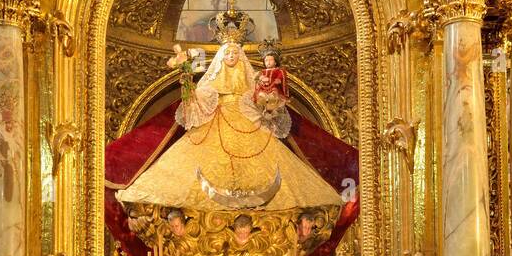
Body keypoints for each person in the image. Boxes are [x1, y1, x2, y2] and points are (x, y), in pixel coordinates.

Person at [116, 39, 342, 215]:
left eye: (235, 53)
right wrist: (186, 82)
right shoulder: (212, 85)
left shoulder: (253, 82)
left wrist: (270, 103)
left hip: (247, 120)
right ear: (220, 58)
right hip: (217, 120)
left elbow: (265, 102)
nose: (231, 56)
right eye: (227, 53)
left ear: (241, 57)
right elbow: (197, 100)